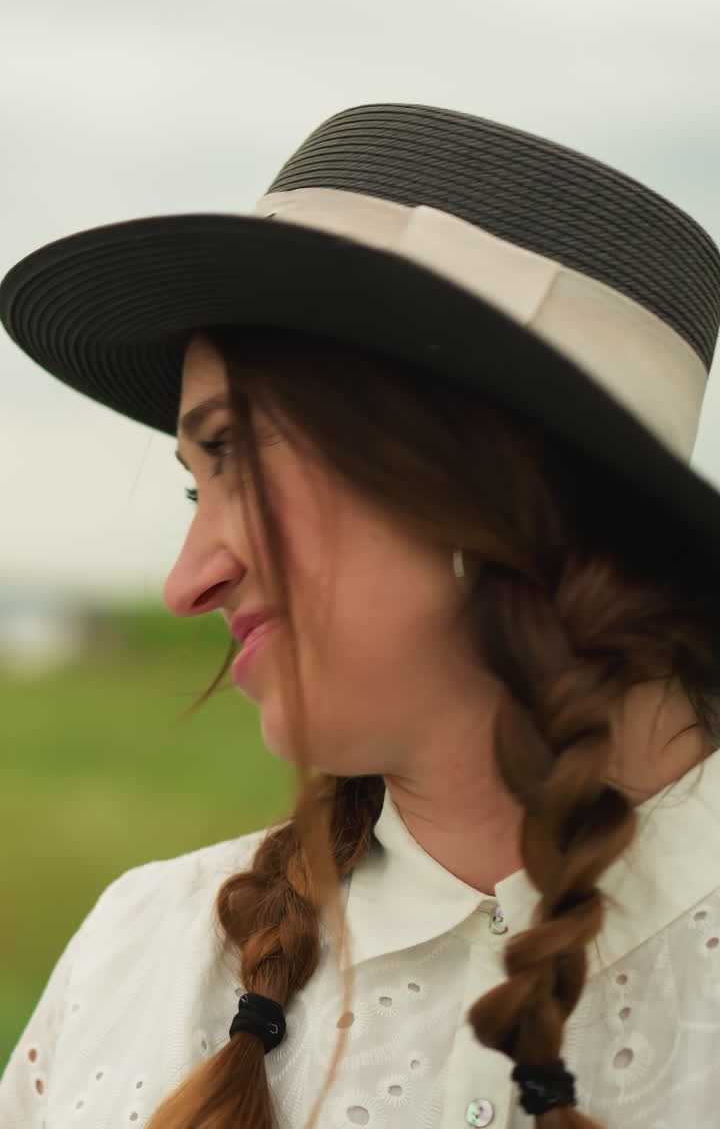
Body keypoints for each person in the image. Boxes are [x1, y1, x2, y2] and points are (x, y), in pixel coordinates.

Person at [1, 102, 720, 1129]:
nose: (186, 582)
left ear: (485, 466)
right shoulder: (142, 955)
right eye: (191, 488)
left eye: (234, 453)